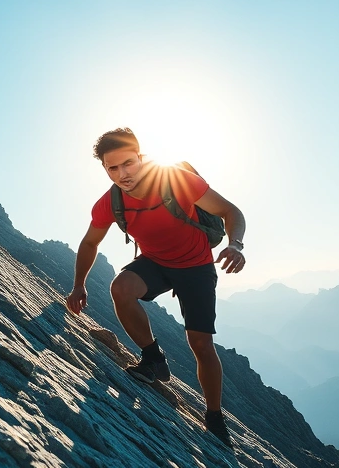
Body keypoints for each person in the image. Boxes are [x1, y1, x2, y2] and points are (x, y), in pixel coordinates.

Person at [66, 127, 246, 448]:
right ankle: (153, 359)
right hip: (156, 264)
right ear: (105, 169)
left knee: (201, 344)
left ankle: (214, 416)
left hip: (196, 267)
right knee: (121, 288)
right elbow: (90, 242)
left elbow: (230, 211)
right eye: (113, 168)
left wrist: (236, 244)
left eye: (128, 163)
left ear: (140, 156)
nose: (123, 174)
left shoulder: (176, 180)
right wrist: (79, 285)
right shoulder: (110, 202)